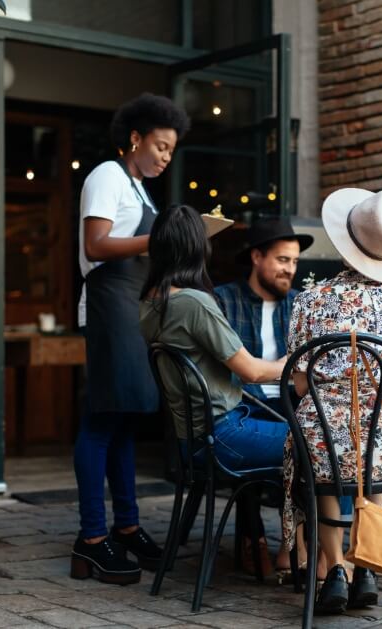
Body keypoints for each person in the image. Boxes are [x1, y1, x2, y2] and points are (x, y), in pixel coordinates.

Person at [283, 188, 382, 615]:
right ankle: (367, 563)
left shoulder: (309, 300)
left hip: (321, 446)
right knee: (375, 444)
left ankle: (335, 568)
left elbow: (300, 384)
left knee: (327, 447)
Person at [71, 93, 190, 585]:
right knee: (102, 418)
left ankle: (126, 526)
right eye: (160, 146)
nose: (165, 157)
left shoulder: (140, 190)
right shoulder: (106, 176)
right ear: (135, 139)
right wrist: (160, 239)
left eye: (170, 150)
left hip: (133, 304)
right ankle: (92, 541)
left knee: (122, 420)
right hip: (107, 304)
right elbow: (95, 245)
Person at [139, 204, 288, 538]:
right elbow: (250, 371)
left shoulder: (149, 305)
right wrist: (289, 365)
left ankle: (278, 548)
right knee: (319, 442)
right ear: (197, 248)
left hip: (190, 442)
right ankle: (310, 557)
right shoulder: (194, 302)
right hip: (223, 436)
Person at [214, 217, 315, 577]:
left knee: (316, 435)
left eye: (294, 262)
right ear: (257, 257)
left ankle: (294, 544)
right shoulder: (223, 300)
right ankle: (253, 536)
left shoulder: (300, 304)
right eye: (282, 260)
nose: (290, 269)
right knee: (280, 435)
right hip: (242, 403)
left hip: (290, 402)